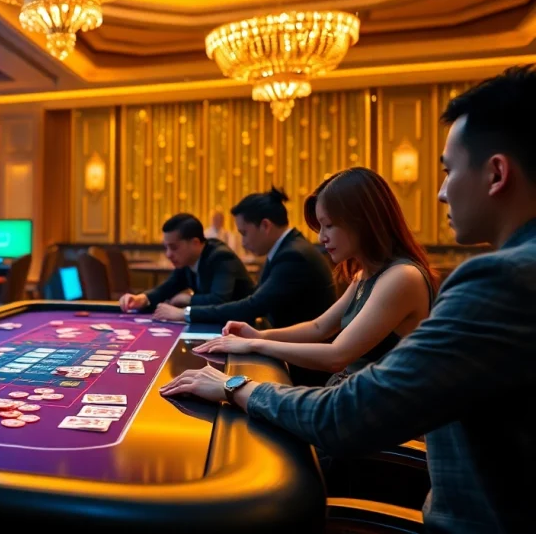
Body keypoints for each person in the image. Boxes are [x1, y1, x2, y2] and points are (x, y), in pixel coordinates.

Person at [159, 65, 536, 533]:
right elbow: (322, 329)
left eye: (448, 170)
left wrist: (236, 385)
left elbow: (345, 409)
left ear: (497, 173)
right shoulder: (381, 274)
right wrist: (256, 340)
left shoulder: (501, 281)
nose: (439, 192)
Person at [194, 168, 437, 386]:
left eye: (328, 225)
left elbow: (336, 355)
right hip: (351, 394)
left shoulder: (402, 276)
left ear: (363, 220)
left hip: (381, 412)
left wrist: (254, 344)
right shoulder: (365, 274)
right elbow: (319, 327)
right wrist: (258, 334)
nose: (321, 238)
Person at [152, 188, 336, 330]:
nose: (243, 242)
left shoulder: (293, 256)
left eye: (244, 233)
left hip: (305, 365)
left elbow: (253, 306)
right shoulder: (287, 249)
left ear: (265, 226)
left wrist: (185, 313)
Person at [118, 213, 254, 319]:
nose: (168, 254)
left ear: (195, 243)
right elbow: (168, 287)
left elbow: (219, 300)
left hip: (243, 328)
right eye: (166, 248)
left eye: (174, 247)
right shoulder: (187, 260)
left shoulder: (221, 257)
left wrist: (187, 300)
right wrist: (141, 299)